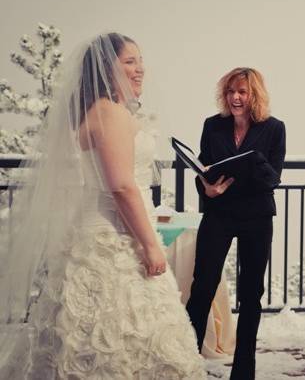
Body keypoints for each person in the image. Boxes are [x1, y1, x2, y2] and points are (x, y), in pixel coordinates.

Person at [0, 33, 204, 378]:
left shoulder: (98, 111)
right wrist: (152, 246)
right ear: (105, 69)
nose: (140, 69)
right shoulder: (110, 113)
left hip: (96, 230)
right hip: (115, 237)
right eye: (129, 62)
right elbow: (122, 187)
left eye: (140, 61)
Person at [186, 67, 286, 380]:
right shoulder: (212, 126)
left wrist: (253, 164)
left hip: (256, 216)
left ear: (254, 94)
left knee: (251, 294)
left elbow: (274, 178)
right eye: (230, 92)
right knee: (202, 285)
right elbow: (202, 169)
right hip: (219, 213)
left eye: (242, 92)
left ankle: (244, 372)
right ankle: (185, 362)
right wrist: (207, 188)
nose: (235, 98)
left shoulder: (274, 128)